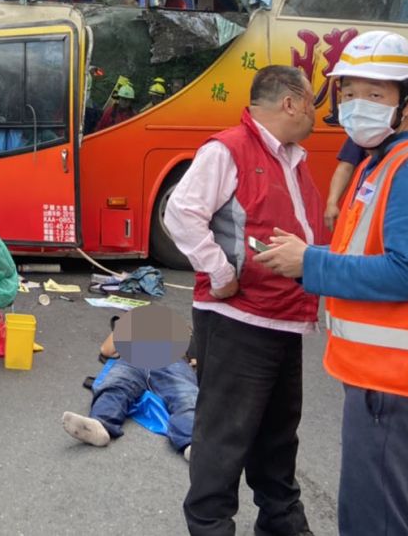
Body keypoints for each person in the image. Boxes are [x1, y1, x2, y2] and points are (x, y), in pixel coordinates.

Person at [255, 31, 408, 536]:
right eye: (350, 92)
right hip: (395, 377)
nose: (358, 106)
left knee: (373, 519)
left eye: (376, 95)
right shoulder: (382, 162)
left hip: (401, 382)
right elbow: (370, 254)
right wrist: (308, 254)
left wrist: (309, 262)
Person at [162, 65, 323, 536]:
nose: (318, 113)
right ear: (290, 102)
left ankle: (282, 522)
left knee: (277, 438)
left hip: (283, 320)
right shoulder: (228, 149)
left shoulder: (293, 157)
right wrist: (220, 272)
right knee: (224, 438)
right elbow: (181, 213)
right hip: (238, 319)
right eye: (313, 101)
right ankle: (212, 527)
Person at [61, 315, 197, 460]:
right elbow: (107, 350)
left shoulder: (190, 338)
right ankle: (99, 426)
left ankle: (192, 442)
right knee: (115, 386)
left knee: (186, 396)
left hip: (170, 360)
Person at [325, 66, 408, 232]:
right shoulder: (366, 132)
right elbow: (346, 166)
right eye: (349, 95)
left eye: (374, 95)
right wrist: (332, 202)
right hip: (366, 213)